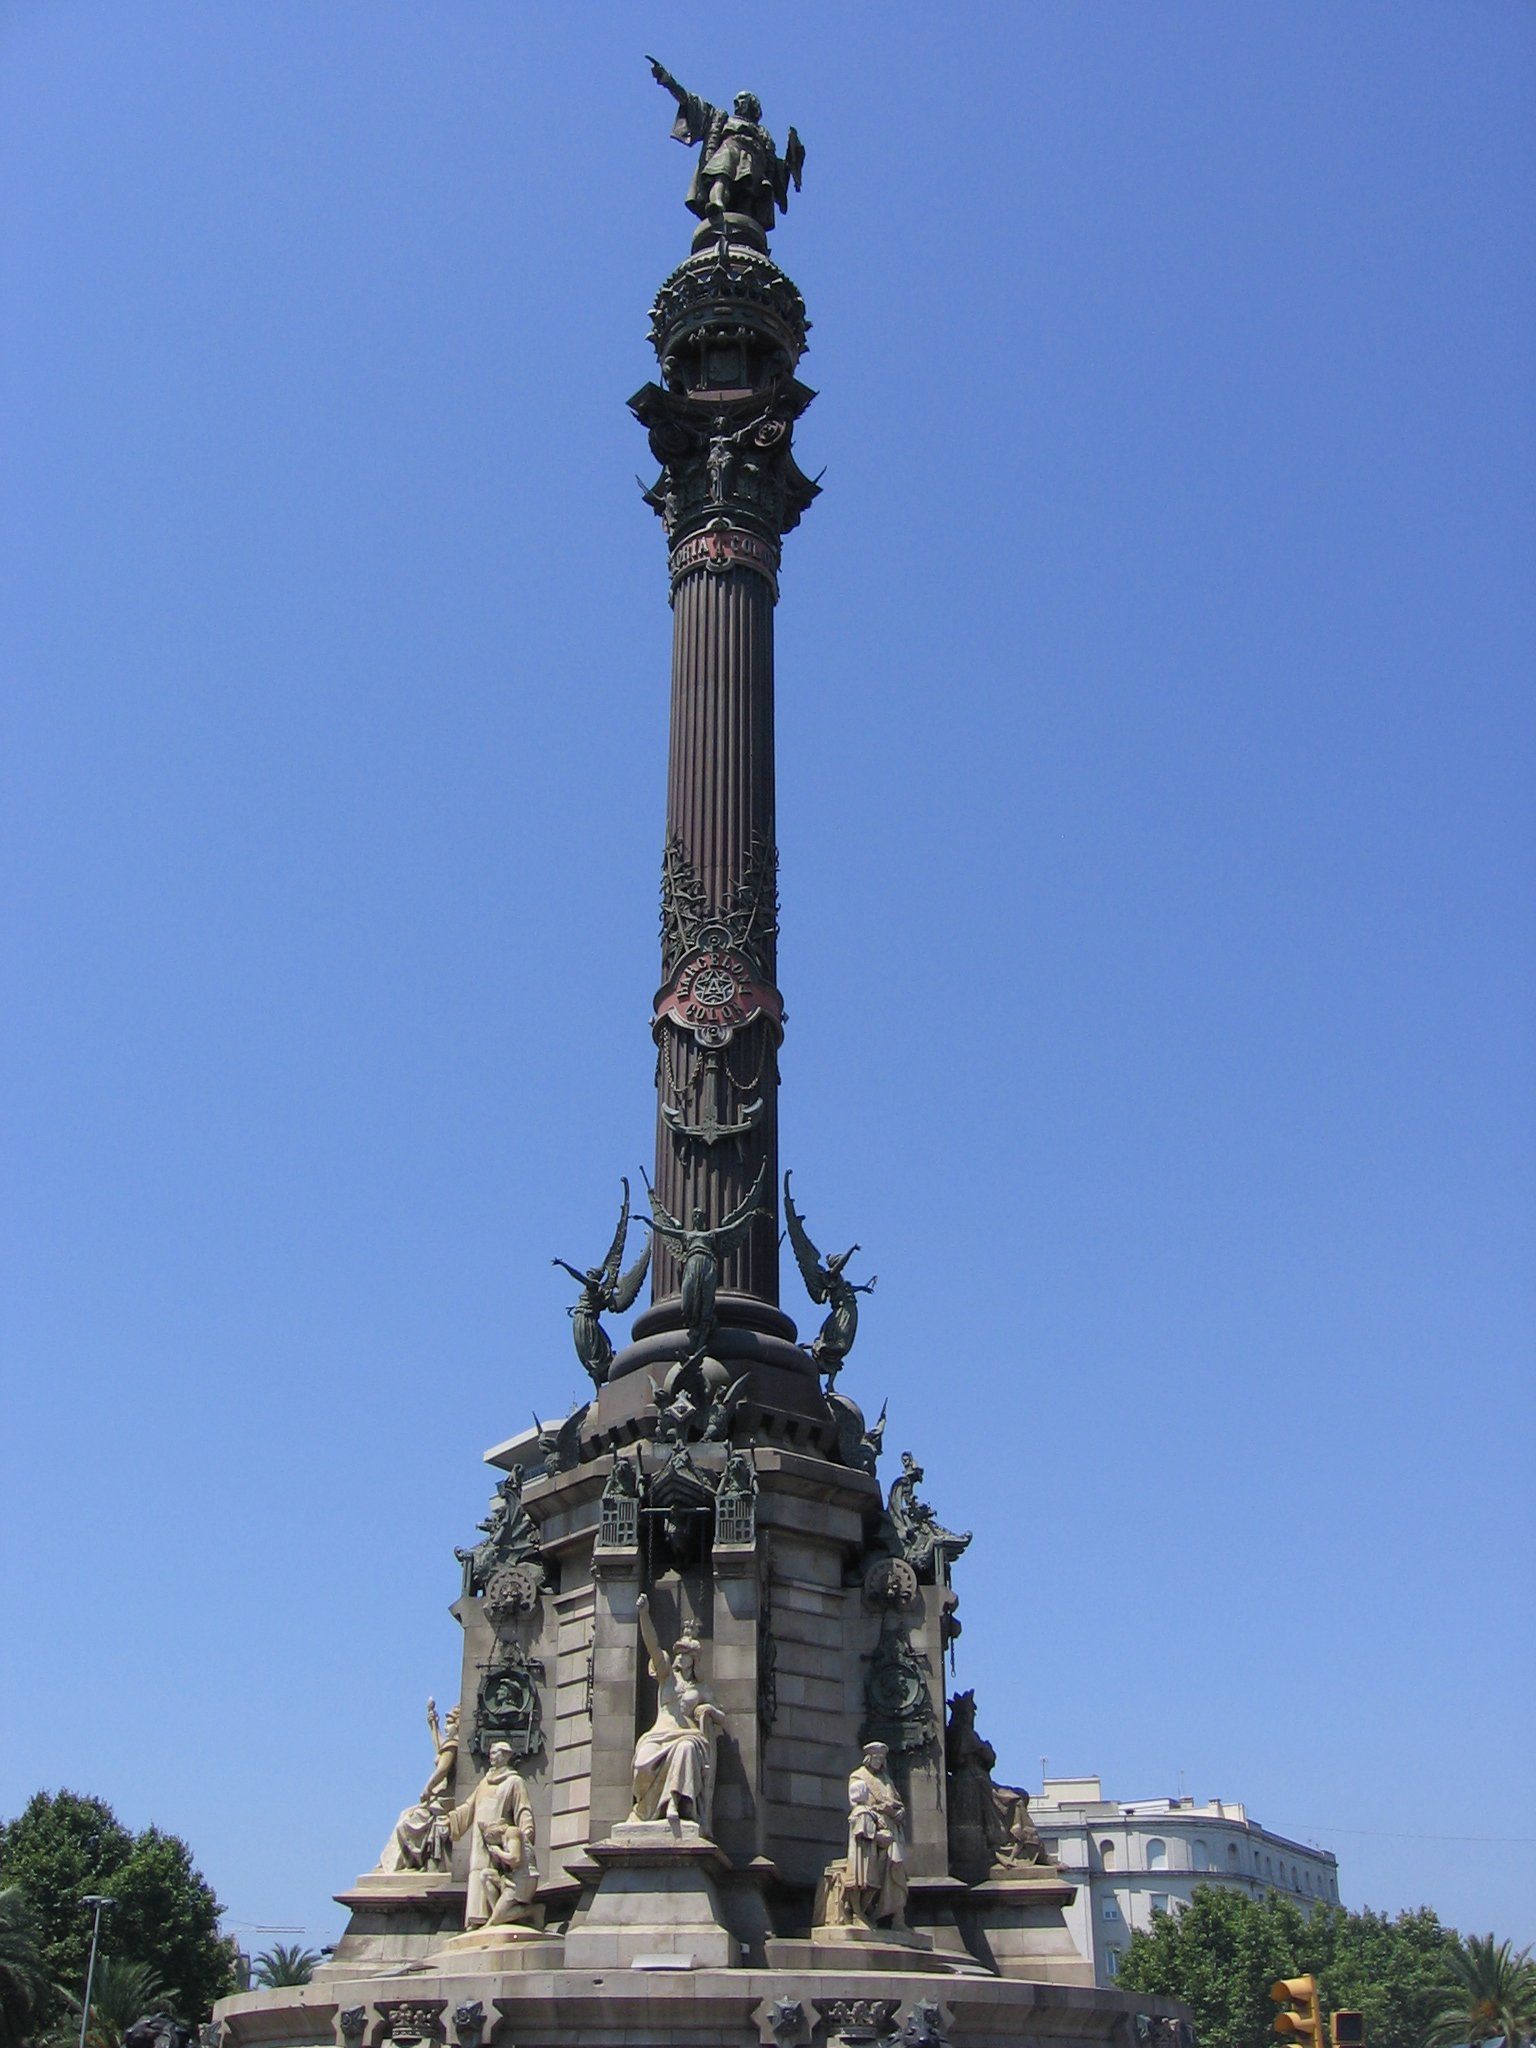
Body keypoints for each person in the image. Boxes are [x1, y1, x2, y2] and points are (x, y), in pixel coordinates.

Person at [629, 1594, 726, 1832]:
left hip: (687, 1736)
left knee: (686, 1749)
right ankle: (646, 1810)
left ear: (694, 1660)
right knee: (642, 1763)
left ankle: (673, 1804)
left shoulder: (701, 1689)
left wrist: (708, 1709)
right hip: (658, 1735)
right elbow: (652, 1646)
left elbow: (721, 1717)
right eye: (679, 1653)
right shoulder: (666, 1678)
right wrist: (644, 1614)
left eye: (685, 1654)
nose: (680, 1657)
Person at [448, 1741, 537, 1928]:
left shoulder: (514, 1781)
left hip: (500, 1836)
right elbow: (469, 1806)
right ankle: (477, 1918)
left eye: (495, 1752)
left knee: (494, 1874)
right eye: (490, 1752)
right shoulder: (483, 1782)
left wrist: (525, 1833)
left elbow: (523, 1810)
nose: (491, 1755)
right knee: (479, 1872)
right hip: (480, 1839)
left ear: (506, 1755)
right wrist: (452, 1820)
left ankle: (497, 1917)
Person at [845, 1741, 909, 1927]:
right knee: (873, 1870)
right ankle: (864, 1912)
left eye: (882, 1758)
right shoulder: (858, 1777)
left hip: (892, 1830)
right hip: (870, 1831)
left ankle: (897, 1917)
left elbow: (898, 1802)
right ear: (869, 1757)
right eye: (877, 1757)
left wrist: (899, 1812)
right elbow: (858, 1805)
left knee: (897, 1869)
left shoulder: (886, 1780)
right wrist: (881, 1810)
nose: (879, 1761)